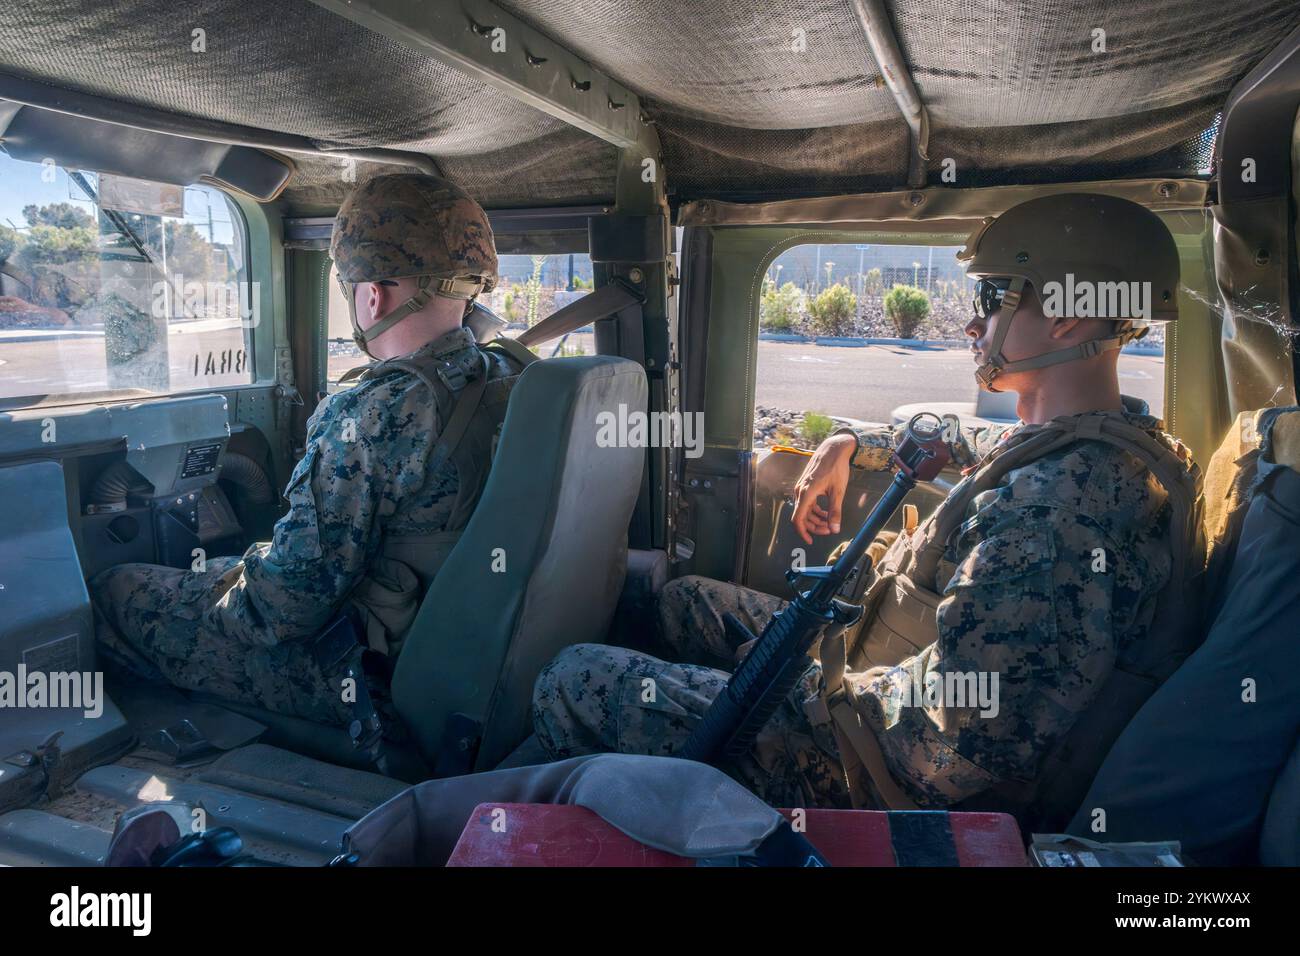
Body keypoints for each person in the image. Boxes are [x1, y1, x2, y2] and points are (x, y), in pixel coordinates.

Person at [531, 193, 1206, 829]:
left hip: (874, 771)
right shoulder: (1087, 442)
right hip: (884, 670)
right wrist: (851, 441)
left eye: (992, 297)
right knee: (684, 603)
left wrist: (810, 692)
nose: (974, 323)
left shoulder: (1057, 515)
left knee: (572, 679)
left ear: (1067, 316)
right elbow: (958, 437)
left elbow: (950, 747)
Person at [93, 173, 528, 725]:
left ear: (371, 294)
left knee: (120, 588)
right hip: (483, 649)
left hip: (369, 675)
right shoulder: (515, 377)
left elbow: (282, 608)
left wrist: (219, 580)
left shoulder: (370, 413)